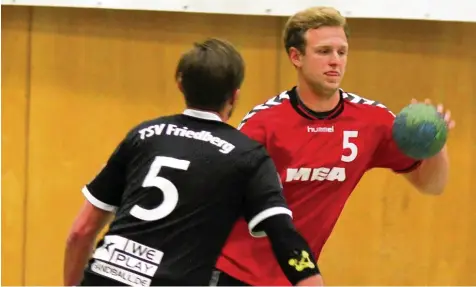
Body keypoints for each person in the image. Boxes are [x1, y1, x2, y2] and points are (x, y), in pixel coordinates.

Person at [213, 6, 456, 286]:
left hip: (296, 277)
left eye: (342, 52)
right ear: (296, 57)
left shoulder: (372, 121)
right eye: (324, 51)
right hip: (234, 272)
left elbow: (431, 184)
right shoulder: (264, 124)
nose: (335, 61)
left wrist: (435, 144)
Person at [63, 38, 325, 286]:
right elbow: (284, 237)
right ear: (234, 96)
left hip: (103, 277)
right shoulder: (248, 156)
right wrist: (309, 278)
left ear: (180, 84)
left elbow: (81, 232)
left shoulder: (144, 136)